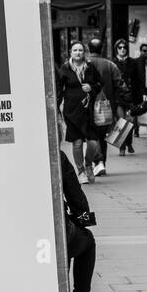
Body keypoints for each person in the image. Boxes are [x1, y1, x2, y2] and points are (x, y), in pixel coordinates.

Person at [59, 149, 99, 292]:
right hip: (49, 227)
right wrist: (82, 218)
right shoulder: (54, 154)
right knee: (85, 240)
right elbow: (73, 192)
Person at [55, 41, 102, 185]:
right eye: (75, 50)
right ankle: (81, 171)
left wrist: (91, 88)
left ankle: (88, 164)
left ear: (84, 52)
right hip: (72, 112)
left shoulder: (90, 67)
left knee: (93, 143)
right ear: (70, 52)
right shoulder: (65, 69)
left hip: (89, 112)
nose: (78, 52)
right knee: (77, 143)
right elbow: (58, 89)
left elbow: (100, 84)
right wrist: (56, 108)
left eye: (80, 50)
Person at [86, 37, 132, 178]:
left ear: (88, 49)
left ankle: (97, 162)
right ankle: (101, 163)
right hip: (106, 107)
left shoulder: (84, 64)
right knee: (101, 135)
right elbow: (121, 86)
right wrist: (124, 103)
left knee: (91, 135)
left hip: (87, 106)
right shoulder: (110, 65)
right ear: (101, 49)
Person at [127, 43, 147, 148]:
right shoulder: (135, 62)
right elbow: (132, 77)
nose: (146, 52)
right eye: (144, 51)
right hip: (138, 90)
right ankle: (136, 130)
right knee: (137, 109)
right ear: (140, 51)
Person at [113, 39, 138, 154]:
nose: (122, 49)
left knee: (131, 122)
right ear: (116, 49)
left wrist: (141, 95)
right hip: (118, 96)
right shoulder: (112, 63)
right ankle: (122, 147)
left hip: (131, 96)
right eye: (120, 47)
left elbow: (138, 80)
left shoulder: (133, 62)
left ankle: (129, 142)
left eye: (124, 47)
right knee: (121, 121)